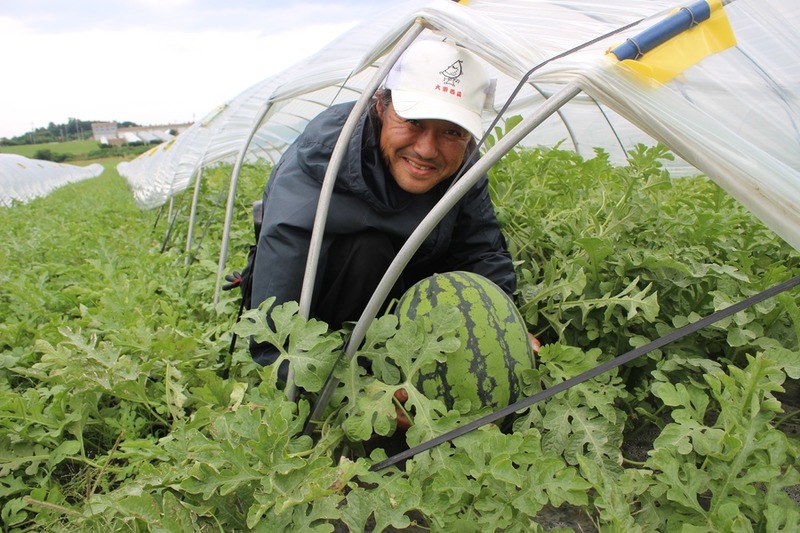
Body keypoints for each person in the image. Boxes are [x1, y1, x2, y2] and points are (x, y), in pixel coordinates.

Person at [249, 37, 539, 372]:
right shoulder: (322, 162)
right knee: (367, 248)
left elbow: (481, 251)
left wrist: (502, 323)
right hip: (325, 311)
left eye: (452, 132)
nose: (428, 150)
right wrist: (345, 396)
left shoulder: (463, 168)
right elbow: (277, 313)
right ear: (380, 106)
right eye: (414, 122)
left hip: (404, 306)